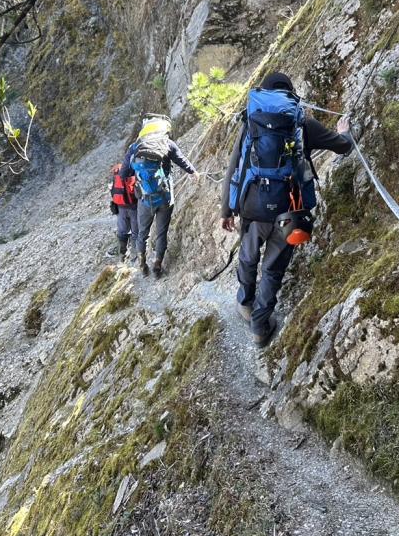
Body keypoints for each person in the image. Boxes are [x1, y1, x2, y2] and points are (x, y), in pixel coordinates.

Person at [220, 72, 351, 347]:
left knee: (247, 257)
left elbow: (235, 167)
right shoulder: (300, 121)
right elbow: (343, 147)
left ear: (264, 92)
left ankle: (244, 302)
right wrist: (344, 132)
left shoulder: (251, 120)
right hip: (287, 208)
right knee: (272, 269)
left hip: (252, 205)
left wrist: (227, 209)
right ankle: (259, 327)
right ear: (289, 93)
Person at [122, 115, 200, 278]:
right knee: (161, 232)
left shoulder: (135, 146)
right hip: (165, 197)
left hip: (145, 199)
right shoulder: (168, 144)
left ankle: (143, 263)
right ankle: (158, 265)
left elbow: (124, 173)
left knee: (142, 232)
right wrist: (193, 172)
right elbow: (182, 161)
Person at [109, 162, 139, 262]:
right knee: (136, 232)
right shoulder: (135, 168)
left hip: (120, 206)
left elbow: (112, 189)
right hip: (134, 206)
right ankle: (135, 256)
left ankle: (122, 254)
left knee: (122, 231)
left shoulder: (117, 169)